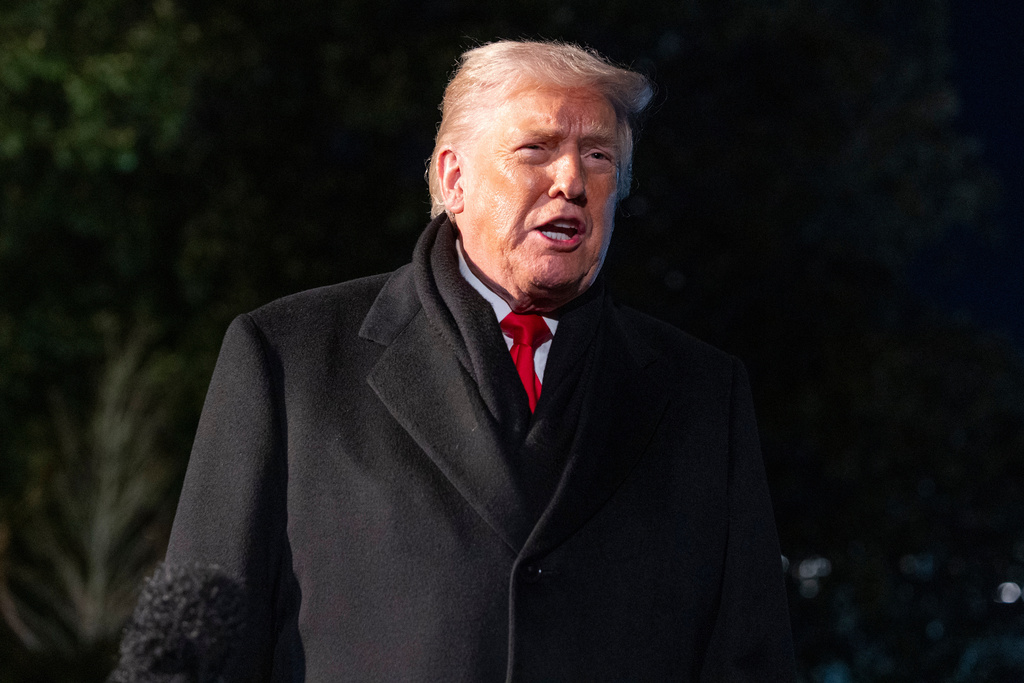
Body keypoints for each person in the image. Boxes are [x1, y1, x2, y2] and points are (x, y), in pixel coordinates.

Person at [163, 40, 795, 681]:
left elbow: (751, 659)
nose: (572, 180)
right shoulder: (288, 357)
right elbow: (196, 653)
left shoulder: (703, 392)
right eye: (537, 149)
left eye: (598, 157)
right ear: (453, 180)